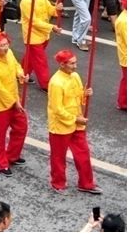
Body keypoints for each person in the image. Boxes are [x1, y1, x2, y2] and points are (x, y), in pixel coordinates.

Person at [47, 49, 101, 194]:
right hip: (61, 125)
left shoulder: (75, 76)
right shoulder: (56, 82)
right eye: (72, 64)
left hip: (77, 123)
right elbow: (57, 109)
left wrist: (85, 94)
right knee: (59, 157)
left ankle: (86, 183)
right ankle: (58, 183)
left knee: (83, 154)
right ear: (62, 64)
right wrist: (75, 118)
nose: (75, 66)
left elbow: (78, 98)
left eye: (75, 62)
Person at [0, 33, 27, 176]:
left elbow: (16, 65)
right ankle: (2, 163)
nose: (6, 48)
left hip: (14, 99)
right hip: (0, 105)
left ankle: (12, 155)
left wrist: (20, 73)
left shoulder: (9, 53)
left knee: (21, 128)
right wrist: (14, 103)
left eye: (6, 44)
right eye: (2, 46)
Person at [19, 0, 62, 90]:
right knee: (40, 61)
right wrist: (51, 27)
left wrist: (56, 9)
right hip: (32, 35)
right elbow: (34, 21)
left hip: (43, 33)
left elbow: (49, 9)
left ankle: (21, 73)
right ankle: (45, 84)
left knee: (31, 57)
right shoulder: (26, 1)